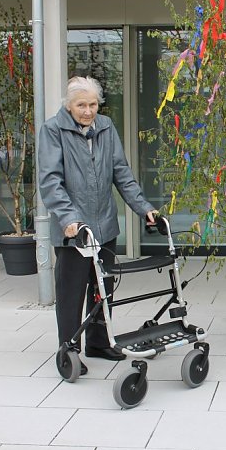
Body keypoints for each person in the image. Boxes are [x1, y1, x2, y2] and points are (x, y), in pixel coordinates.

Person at [39, 76, 158, 374]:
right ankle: (69, 349)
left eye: (93, 104)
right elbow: (51, 181)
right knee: (72, 291)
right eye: (82, 105)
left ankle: (98, 341)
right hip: (73, 231)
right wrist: (68, 219)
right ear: (69, 105)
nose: (88, 111)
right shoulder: (53, 130)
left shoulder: (105, 127)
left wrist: (144, 209)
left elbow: (121, 173)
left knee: (103, 287)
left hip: (104, 224)